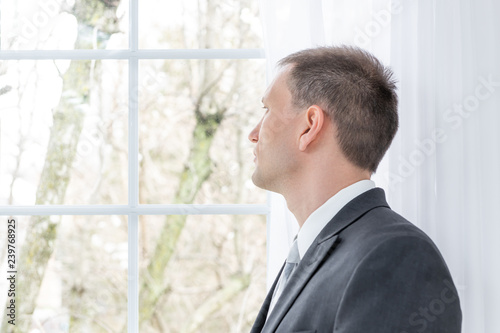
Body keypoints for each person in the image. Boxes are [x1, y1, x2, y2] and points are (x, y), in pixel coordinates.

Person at [248, 46, 462, 333]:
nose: (253, 133)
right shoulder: (311, 253)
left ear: (310, 126)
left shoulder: (396, 257)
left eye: (267, 110)